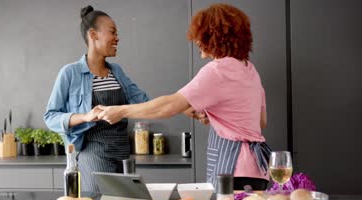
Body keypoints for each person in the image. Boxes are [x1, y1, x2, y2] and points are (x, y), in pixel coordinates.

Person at [98, 3, 271, 190]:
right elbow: (259, 122)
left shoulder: (217, 70)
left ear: (213, 36)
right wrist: (216, 115)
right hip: (258, 170)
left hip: (233, 171)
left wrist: (120, 111)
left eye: (200, 35)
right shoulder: (249, 69)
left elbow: (168, 106)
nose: (196, 41)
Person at [44, 5, 150, 195]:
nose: (117, 38)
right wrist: (85, 117)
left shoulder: (116, 71)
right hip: (93, 152)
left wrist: (183, 106)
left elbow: (143, 101)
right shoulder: (70, 73)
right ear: (93, 35)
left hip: (123, 154)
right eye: (113, 32)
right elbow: (51, 116)